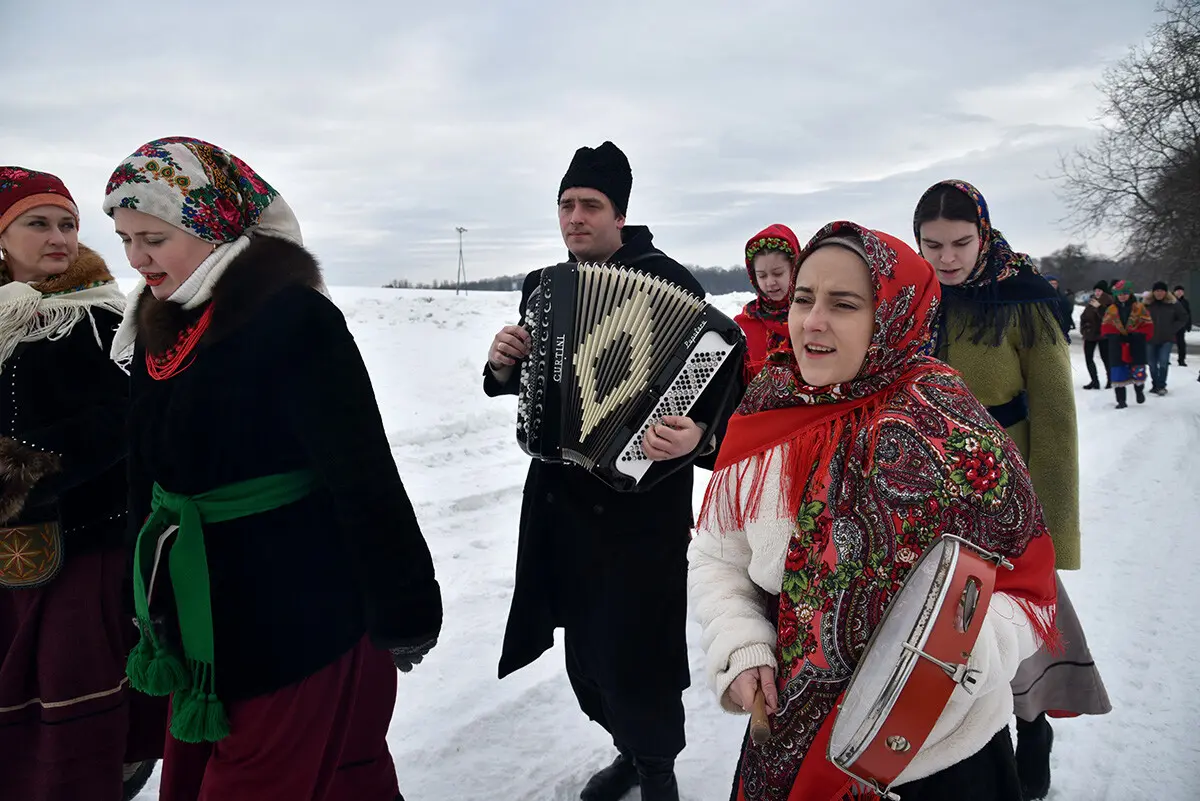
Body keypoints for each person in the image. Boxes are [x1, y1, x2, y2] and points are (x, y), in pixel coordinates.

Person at [103, 137, 442, 801]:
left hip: (294, 618)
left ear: (211, 224)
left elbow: (363, 474)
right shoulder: (161, 320)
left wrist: (404, 606)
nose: (138, 259)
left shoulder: (292, 317)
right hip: (201, 627)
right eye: (124, 240)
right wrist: (139, 594)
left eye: (154, 237)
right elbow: (142, 472)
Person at [689, 221, 1059, 801]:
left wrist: (952, 663)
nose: (812, 321)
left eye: (844, 304)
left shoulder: (949, 425)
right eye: (804, 298)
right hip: (792, 736)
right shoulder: (767, 413)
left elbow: (1028, 586)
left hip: (939, 755)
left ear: (892, 313)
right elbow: (718, 554)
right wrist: (741, 645)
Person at [483, 141, 741, 801]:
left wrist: (696, 437)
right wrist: (505, 367)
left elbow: (718, 410)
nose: (575, 217)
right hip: (561, 502)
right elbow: (548, 399)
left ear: (619, 214)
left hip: (639, 512)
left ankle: (656, 768)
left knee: (639, 656)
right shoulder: (545, 287)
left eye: (589, 205)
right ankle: (627, 749)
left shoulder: (672, 282)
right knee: (585, 652)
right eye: (566, 204)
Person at [913, 180, 1109, 800]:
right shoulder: (911, 300)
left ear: (985, 233)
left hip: (1005, 494)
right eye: (932, 244)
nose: (946, 258)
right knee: (945, 632)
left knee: (1013, 624)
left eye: (960, 243)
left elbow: (1055, 418)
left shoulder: (1025, 299)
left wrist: (1054, 528)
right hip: (927, 489)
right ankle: (962, 743)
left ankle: (1034, 726)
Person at [0, 167, 165, 801]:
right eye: (38, 223)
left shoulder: (96, 318)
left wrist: (23, 472)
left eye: (68, 223)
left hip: (80, 551)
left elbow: (124, 419)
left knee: (74, 728)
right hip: (10, 563)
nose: (60, 237)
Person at [734, 224, 800, 383]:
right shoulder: (745, 324)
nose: (770, 282)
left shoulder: (814, 315)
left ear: (795, 267)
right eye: (762, 276)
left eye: (778, 273)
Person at [1102, 280, 1154, 407]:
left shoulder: (1140, 308)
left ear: (1130, 294)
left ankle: (1139, 391)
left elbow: (1148, 325)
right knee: (1118, 372)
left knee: (1137, 370)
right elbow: (1106, 326)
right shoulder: (1111, 309)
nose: (1122, 296)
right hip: (1117, 345)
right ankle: (1121, 401)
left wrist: (1138, 334)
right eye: (1119, 294)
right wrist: (1114, 335)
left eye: (1125, 293)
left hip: (1136, 344)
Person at [1145, 281, 1188, 395]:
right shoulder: (1147, 304)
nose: (1159, 293)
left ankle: (1161, 385)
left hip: (1167, 338)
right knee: (1152, 363)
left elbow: (1183, 317)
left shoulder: (1174, 304)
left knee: (1163, 361)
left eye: (1162, 291)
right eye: (1157, 291)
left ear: (1166, 292)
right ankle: (1155, 384)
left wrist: (1172, 328)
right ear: (1153, 292)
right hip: (1150, 338)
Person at [1080, 281, 1114, 390]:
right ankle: (1094, 381)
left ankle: (1110, 380)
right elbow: (1084, 315)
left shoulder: (1109, 301)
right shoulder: (1092, 301)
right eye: (1096, 290)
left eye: (1099, 291)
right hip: (1090, 333)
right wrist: (1083, 328)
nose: (1097, 293)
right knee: (1088, 357)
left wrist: (1099, 307)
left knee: (1106, 358)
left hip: (1103, 333)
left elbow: (1108, 317)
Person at [1045, 275, 1076, 340]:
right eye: (1051, 283)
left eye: (1055, 284)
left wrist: (1066, 326)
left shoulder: (1062, 298)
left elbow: (1067, 313)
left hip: (1060, 328)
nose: (1053, 285)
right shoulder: (1041, 297)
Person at [1172, 285, 1191, 366]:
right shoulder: (1170, 301)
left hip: (1181, 326)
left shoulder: (1185, 302)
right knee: (1167, 342)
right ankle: (1165, 359)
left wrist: (1188, 324)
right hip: (1170, 325)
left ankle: (1181, 359)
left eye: (1181, 291)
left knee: (1181, 343)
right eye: (1178, 291)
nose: (1179, 293)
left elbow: (1188, 314)